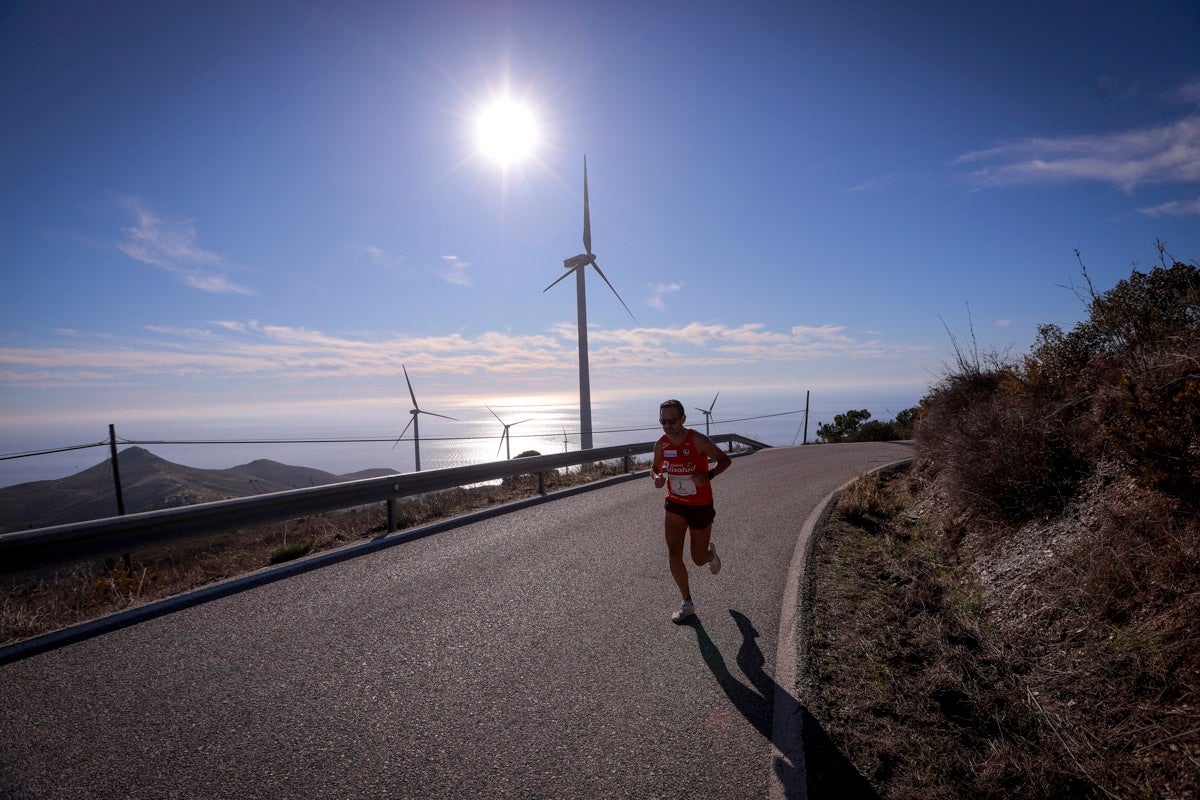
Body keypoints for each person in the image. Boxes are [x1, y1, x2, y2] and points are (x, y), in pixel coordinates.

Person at [652, 398, 732, 623]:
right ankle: (687, 602)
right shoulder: (661, 444)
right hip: (675, 503)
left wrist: (707, 475)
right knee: (673, 552)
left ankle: (710, 554)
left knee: (697, 558)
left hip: (700, 506)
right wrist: (657, 477)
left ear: (683, 419)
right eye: (663, 422)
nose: (668, 426)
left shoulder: (697, 440)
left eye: (672, 421)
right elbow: (654, 467)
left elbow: (725, 460)